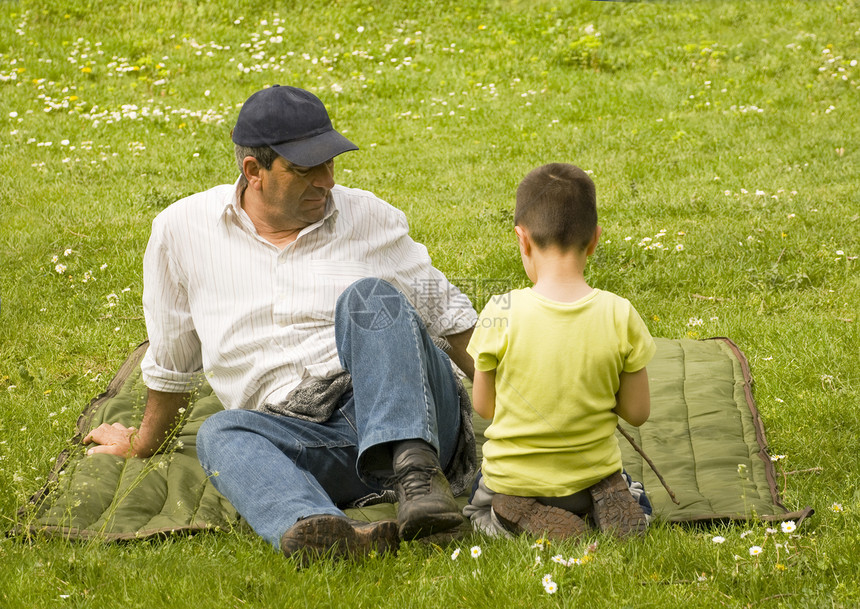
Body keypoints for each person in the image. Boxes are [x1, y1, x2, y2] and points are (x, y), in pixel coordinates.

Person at [84, 85, 478, 563]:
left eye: (331, 163)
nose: (326, 180)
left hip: (415, 412)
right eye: (305, 169)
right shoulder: (180, 231)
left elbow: (451, 319)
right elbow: (175, 362)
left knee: (369, 297)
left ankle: (417, 478)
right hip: (309, 438)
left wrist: (536, 408)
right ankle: (319, 531)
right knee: (219, 433)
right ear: (254, 171)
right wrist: (142, 444)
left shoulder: (369, 216)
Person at [465, 163, 655, 539]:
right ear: (595, 239)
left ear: (522, 239)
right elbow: (637, 413)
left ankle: (515, 515)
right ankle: (604, 503)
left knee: (479, 508)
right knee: (633, 493)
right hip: (590, 479)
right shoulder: (620, 313)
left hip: (512, 482)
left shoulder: (499, 310)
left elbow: (484, 407)